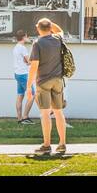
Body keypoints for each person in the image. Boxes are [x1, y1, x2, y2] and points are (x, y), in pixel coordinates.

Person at [23, 17, 67, 156]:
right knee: (59, 112)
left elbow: (34, 66)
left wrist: (29, 86)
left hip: (43, 81)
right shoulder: (57, 39)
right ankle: (62, 144)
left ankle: (47, 145)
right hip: (58, 80)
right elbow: (60, 30)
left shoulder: (37, 43)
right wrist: (50, 23)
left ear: (38, 28)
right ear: (49, 28)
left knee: (45, 113)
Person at [11, 30, 34, 123]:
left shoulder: (16, 47)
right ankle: (25, 117)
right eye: (27, 36)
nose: (27, 38)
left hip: (17, 74)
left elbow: (25, 61)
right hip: (24, 74)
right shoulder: (23, 48)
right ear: (24, 37)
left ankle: (19, 118)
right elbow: (29, 61)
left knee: (20, 95)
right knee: (32, 95)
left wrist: (27, 61)